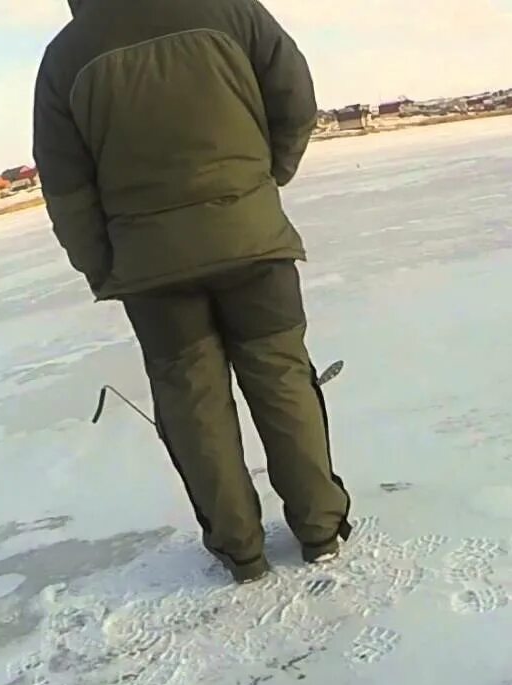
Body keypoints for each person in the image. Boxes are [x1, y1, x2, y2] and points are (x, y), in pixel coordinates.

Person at [34, 0, 351, 584]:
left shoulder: (66, 57)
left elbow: (66, 188)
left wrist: (103, 266)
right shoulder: (232, 11)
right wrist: (260, 184)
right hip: (252, 241)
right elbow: (295, 102)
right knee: (283, 381)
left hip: (151, 269)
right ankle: (319, 529)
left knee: (193, 405)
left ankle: (241, 552)